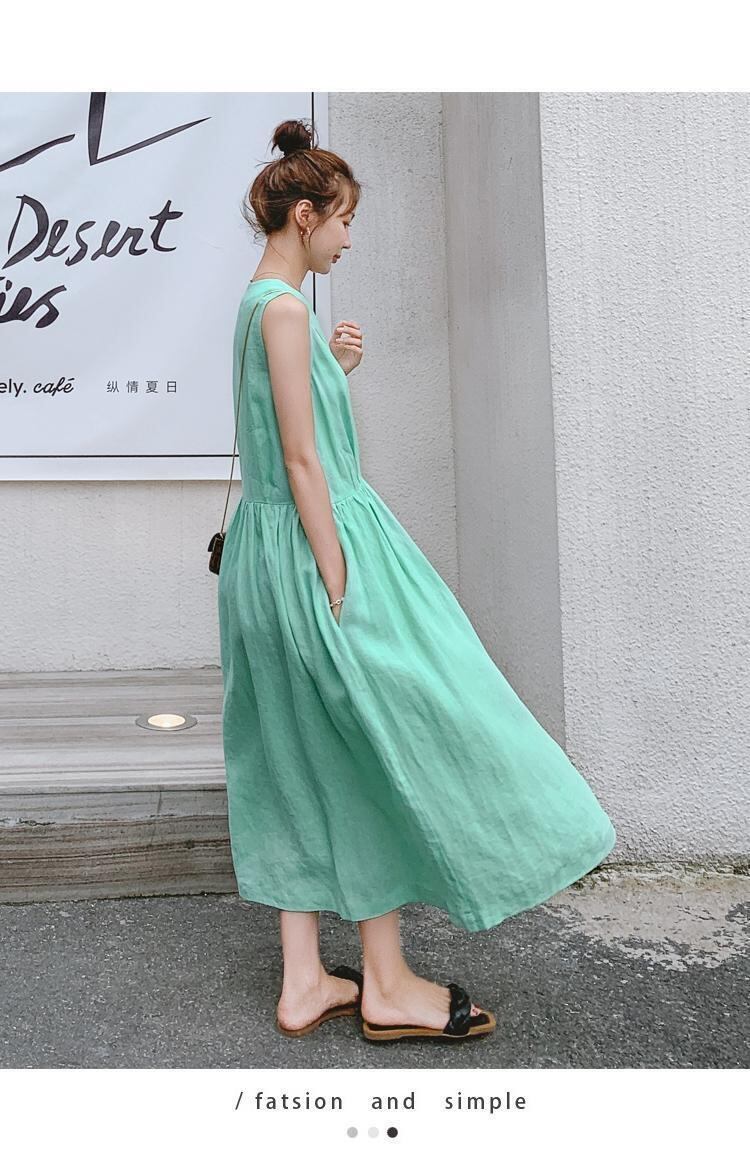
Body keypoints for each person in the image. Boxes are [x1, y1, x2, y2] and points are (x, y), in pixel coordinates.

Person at [217, 117, 617, 1043]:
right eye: (345, 221)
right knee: (383, 739)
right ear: (306, 216)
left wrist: (335, 371)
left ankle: (305, 980)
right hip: (315, 547)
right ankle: (388, 984)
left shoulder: (259, 306)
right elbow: (305, 463)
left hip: (262, 554)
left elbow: (282, 433)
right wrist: (339, 578)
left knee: (292, 757)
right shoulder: (285, 311)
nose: (350, 240)